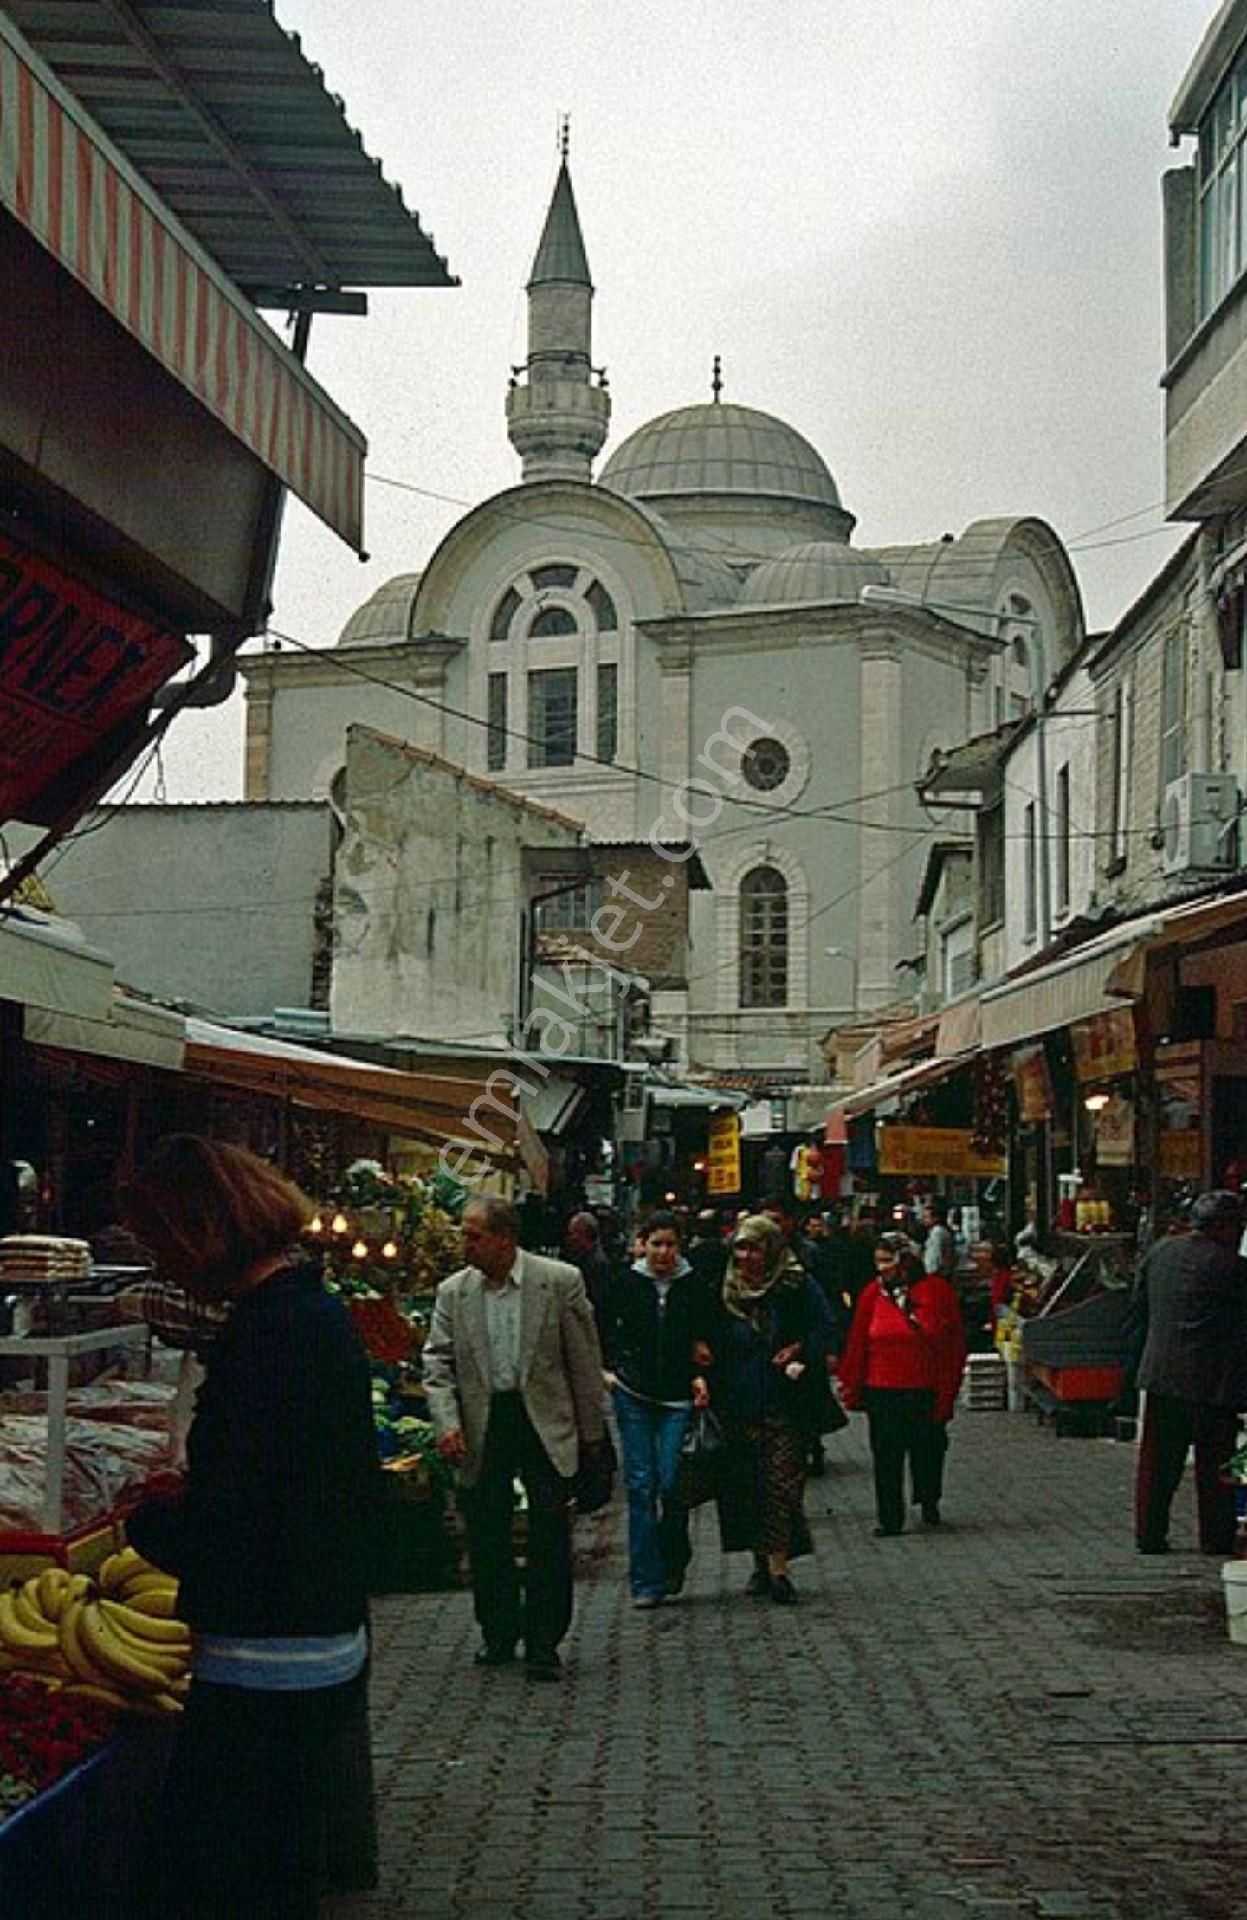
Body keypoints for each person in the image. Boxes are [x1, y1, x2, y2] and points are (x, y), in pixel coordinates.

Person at [121, 1136, 381, 1920]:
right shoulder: (315, 1313)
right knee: (282, 1864)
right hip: (324, 1637)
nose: (164, 1267)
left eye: (163, 1245)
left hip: (266, 1657)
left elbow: (239, 1520)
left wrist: (149, 1524)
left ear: (201, 1229)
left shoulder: (265, 1338)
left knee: (230, 1877)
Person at [421, 1195, 606, 1681]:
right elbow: (437, 1365)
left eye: (473, 1235)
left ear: (505, 1239)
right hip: (485, 1421)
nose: (465, 1244)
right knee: (487, 1531)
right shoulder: (454, 1293)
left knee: (548, 1528)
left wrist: (592, 1436)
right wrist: (447, 1424)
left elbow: (583, 1362)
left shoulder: (558, 1282)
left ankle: (544, 1639)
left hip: (544, 1419)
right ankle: (498, 1631)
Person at [708, 1213, 838, 1603]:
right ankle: (760, 1562)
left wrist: (800, 1348)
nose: (747, 1256)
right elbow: (707, 1335)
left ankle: (780, 1568)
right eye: (742, 1247)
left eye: (756, 1247)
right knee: (747, 1485)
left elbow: (826, 1327)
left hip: (785, 1402)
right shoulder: (724, 1290)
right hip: (737, 1403)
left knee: (781, 1485)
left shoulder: (795, 1285)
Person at [601, 1209, 709, 1608]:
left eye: (670, 1244)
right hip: (634, 1394)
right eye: (656, 1243)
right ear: (643, 1244)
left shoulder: (694, 1285)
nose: (663, 1252)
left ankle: (672, 1556)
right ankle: (646, 1580)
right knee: (640, 1487)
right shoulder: (626, 1283)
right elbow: (604, 1326)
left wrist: (701, 1367)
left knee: (671, 1483)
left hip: (678, 1396)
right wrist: (608, 1370)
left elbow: (707, 1331)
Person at [1133, 1189, 1247, 1557]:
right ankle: (1215, 1537)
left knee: (1157, 1463)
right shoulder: (1231, 1266)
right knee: (1214, 1465)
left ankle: (1149, 1535)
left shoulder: (1161, 1251)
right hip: (1213, 1383)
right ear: (1223, 1226)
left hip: (1162, 1373)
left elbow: (1139, 1305)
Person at [838, 1232, 965, 1536]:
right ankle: (890, 1517)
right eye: (878, 1261)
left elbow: (952, 1344)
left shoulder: (937, 1292)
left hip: (924, 1386)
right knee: (886, 1455)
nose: (881, 1268)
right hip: (881, 1387)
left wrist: (949, 1388)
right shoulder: (872, 1294)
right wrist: (852, 1382)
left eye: (887, 1261)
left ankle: (929, 1499)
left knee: (928, 1450)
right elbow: (858, 1340)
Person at [565, 1209, 612, 1335]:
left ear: (583, 1234)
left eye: (573, 1233)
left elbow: (599, 1302)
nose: (570, 1238)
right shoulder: (587, 1258)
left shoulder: (596, 1264)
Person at [921, 1198, 958, 1279]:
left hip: (937, 1277)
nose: (923, 1220)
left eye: (926, 1217)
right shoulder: (939, 1232)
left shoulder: (937, 1233)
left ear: (935, 1218)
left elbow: (933, 1263)